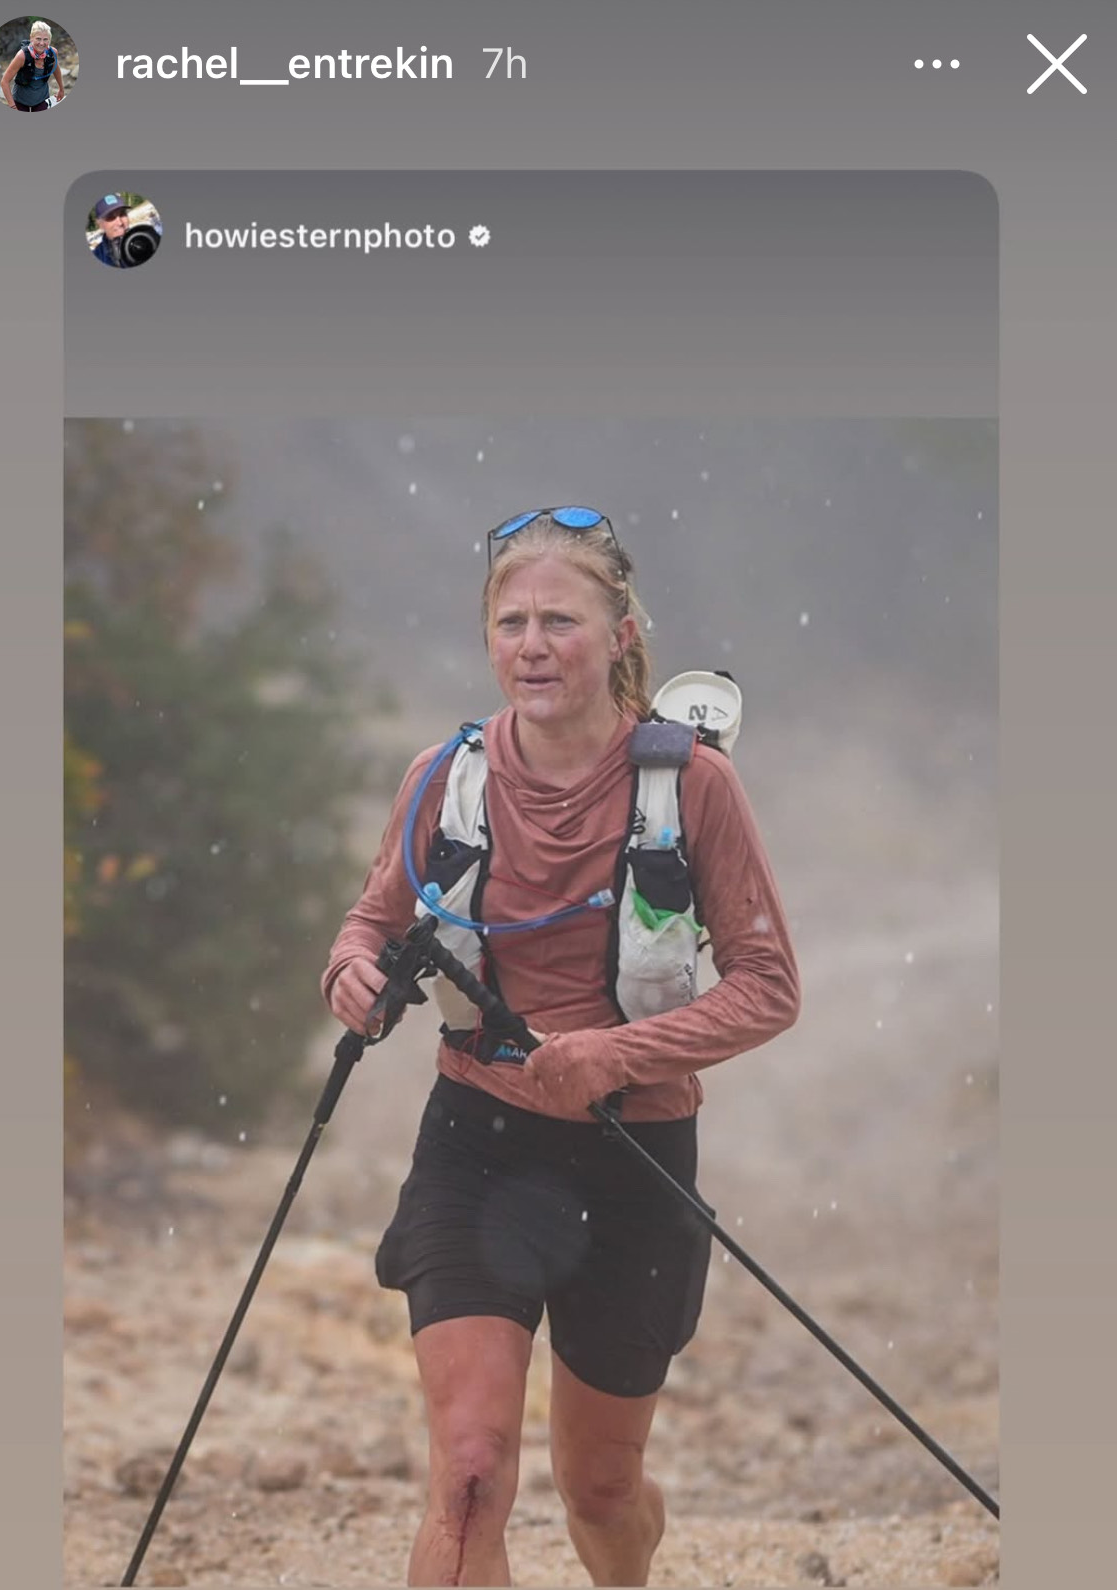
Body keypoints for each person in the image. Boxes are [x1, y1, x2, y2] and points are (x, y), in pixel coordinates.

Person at [322, 508, 799, 1587]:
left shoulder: (694, 786)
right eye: (512, 623)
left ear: (620, 635)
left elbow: (769, 988)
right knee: (470, 1472)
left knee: (601, 1490)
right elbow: (369, 926)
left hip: (634, 1157)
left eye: (560, 622)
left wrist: (615, 1056)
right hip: (476, 1147)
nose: (532, 646)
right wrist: (349, 975)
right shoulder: (444, 777)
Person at [0, 21, 65, 111]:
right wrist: (12, 106)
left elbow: (56, 69)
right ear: (31, 38)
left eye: (45, 39)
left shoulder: (52, 53)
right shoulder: (21, 56)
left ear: (49, 40)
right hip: (20, 100)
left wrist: (61, 89)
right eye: (38, 39)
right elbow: (4, 81)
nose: (41, 43)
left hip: (41, 99)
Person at [89, 195, 138, 268]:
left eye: (122, 214)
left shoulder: (145, 239)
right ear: (100, 224)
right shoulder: (97, 256)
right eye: (110, 217)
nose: (120, 223)